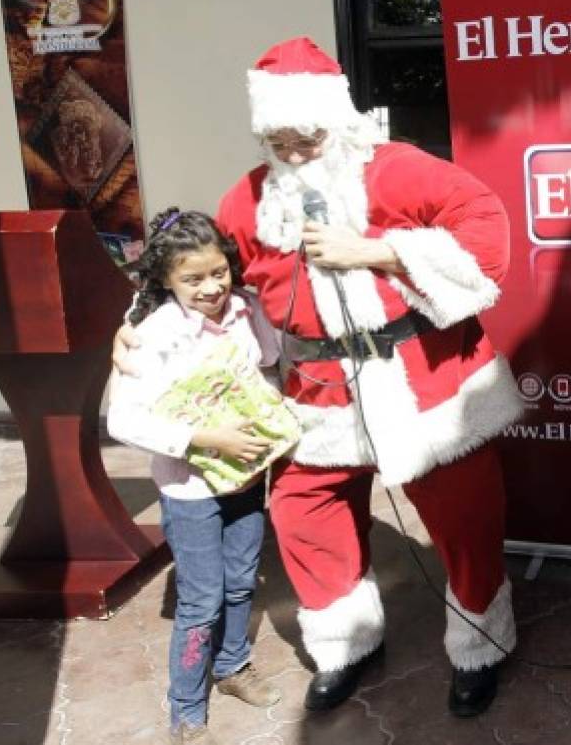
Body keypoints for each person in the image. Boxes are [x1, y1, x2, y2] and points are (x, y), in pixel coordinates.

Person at [117, 37, 522, 716]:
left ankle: (481, 642)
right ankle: (347, 643)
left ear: (336, 123)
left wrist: (379, 250)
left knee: (466, 516)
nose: (297, 153)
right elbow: (200, 268)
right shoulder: (246, 199)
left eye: (308, 138)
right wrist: (135, 319)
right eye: (281, 141)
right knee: (304, 515)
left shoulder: (400, 170)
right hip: (316, 392)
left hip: (423, 382)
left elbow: (487, 231)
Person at [107, 209, 282, 745]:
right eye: (193, 279)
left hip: (247, 480)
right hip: (190, 491)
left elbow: (271, 361)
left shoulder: (245, 311)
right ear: (165, 279)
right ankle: (186, 705)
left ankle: (232, 667)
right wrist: (208, 438)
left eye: (218, 272)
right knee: (201, 600)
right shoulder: (152, 334)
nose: (211, 288)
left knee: (241, 580)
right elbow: (124, 419)